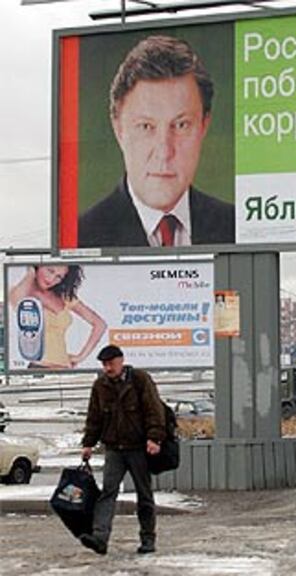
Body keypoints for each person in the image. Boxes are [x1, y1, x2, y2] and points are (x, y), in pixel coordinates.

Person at [78, 34, 235, 248]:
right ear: (119, 129)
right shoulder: (82, 237)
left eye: (181, 125)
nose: (164, 151)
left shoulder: (236, 227)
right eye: (146, 127)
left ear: (204, 126)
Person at [80, 345, 166, 556]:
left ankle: (148, 539)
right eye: (104, 365)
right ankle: (100, 538)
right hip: (114, 449)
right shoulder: (100, 386)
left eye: (111, 363)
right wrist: (88, 443)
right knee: (107, 493)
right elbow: (94, 417)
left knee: (144, 495)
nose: (108, 368)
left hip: (138, 448)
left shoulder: (139, 380)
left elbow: (154, 411)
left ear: (121, 361)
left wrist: (154, 438)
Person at [9, 265, 107, 369]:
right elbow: (17, 301)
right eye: (50, 271)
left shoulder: (64, 297)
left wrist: (80, 357)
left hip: (65, 368)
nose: (52, 279)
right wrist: (31, 272)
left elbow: (100, 324)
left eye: (59, 277)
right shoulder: (23, 294)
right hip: (39, 367)